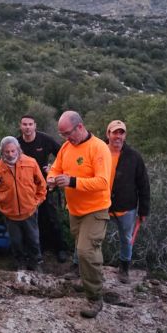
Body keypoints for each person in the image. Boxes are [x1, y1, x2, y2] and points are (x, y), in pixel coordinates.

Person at [47, 111, 112, 318]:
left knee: (86, 252)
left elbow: (103, 182)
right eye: (62, 134)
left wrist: (72, 181)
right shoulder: (67, 147)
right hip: (75, 210)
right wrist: (51, 179)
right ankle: (87, 281)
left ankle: (95, 298)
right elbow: (55, 169)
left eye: (68, 133)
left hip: (96, 209)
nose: (66, 138)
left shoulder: (99, 148)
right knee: (83, 250)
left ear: (80, 127)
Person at [0, 136, 46, 271]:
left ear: (18, 149)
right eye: (7, 152)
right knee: (16, 241)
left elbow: (41, 185)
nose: (10, 154)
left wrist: (37, 201)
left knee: (33, 240)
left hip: (29, 211)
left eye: (13, 151)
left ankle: (36, 262)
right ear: (2, 152)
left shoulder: (30, 163)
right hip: (10, 214)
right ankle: (20, 263)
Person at [17, 114, 68, 262]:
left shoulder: (44, 140)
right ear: (21, 126)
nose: (27, 127)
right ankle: (39, 248)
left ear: (35, 126)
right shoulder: (17, 143)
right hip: (25, 188)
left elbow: (63, 154)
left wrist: (53, 168)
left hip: (44, 186)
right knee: (32, 220)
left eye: (30, 124)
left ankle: (60, 249)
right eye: (24, 124)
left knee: (51, 217)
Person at [105, 120, 150, 284]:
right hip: (100, 204)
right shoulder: (98, 151)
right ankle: (79, 265)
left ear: (125, 135)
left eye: (121, 132)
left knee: (126, 239)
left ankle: (124, 269)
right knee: (91, 236)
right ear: (107, 134)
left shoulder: (134, 156)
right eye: (114, 132)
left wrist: (143, 210)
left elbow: (143, 184)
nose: (118, 136)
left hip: (126, 207)